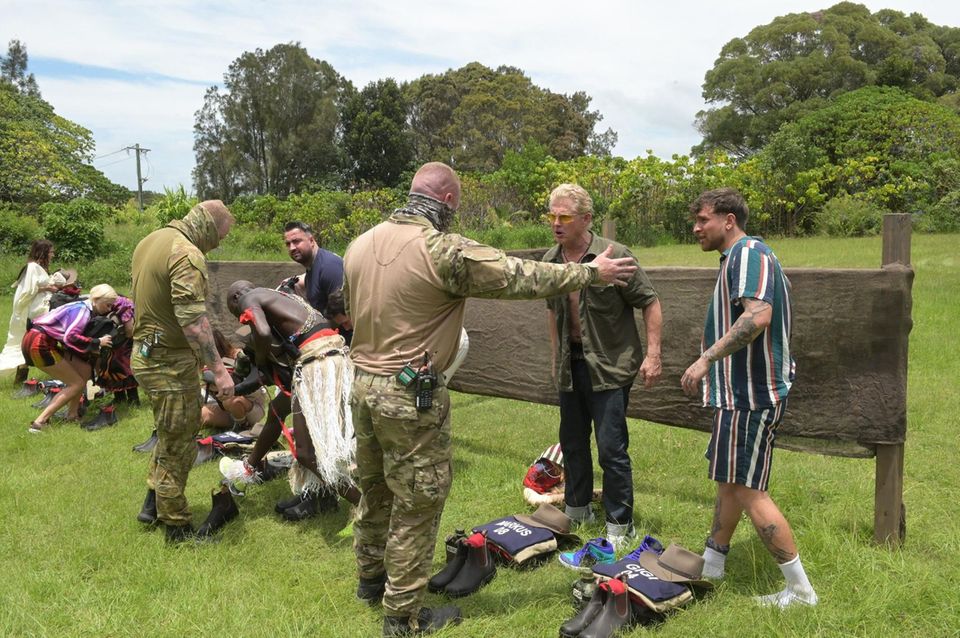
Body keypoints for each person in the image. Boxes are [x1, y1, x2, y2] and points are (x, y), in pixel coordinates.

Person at [342, 161, 639, 636]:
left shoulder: (360, 243)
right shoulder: (440, 248)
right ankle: (402, 616)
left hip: (362, 386)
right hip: (407, 396)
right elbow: (518, 275)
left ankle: (370, 578)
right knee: (418, 502)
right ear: (449, 203)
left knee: (375, 490)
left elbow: (349, 305)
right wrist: (589, 274)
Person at [680, 187, 817, 608]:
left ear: (728, 220)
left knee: (748, 488)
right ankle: (713, 563)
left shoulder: (748, 254)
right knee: (730, 483)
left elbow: (757, 315)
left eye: (703, 220)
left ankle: (800, 590)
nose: (697, 228)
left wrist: (706, 358)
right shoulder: (736, 258)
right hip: (738, 392)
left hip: (750, 393)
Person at [542, 183, 664, 549]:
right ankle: (577, 510)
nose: (556, 224)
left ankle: (619, 524)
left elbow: (650, 301)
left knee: (611, 446)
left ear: (586, 219)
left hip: (610, 365)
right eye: (552, 216)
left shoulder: (615, 255)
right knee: (572, 441)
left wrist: (653, 354)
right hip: (571, 364)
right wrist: (555, 358)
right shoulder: (551, 260)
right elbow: (552, 312)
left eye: (564, 216)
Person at [131, 200, 236, 544]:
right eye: (219, 237)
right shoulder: (187, 253)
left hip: (145, 354)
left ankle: (151, 505)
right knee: (179, 446)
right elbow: (193, 322)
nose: (217, 245)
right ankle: (177, 528)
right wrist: (219, 371)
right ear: (208, 226)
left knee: (168, 432)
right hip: (169, 364)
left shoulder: (151, 240)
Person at [21, 283, 118, 432]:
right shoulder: (83, 311)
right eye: (107, 305)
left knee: (84, 369)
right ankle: (40, 422)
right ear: (96, 299)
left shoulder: (81, 305)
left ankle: (72, 415)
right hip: (39, 343)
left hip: (35, 338)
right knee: (76, 384)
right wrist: (98, 342)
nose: (109, 309)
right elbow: (71, 337)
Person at [1, 240, 61, 378]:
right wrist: (48, 288)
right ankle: (22, 376)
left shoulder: (39, 268)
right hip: (34, 311)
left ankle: (22, 376)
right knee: (25, 341)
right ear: (44, 252)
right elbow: (27, 290)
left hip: (41, 308)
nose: (53, 254)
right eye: (51, 252)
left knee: (28, 340)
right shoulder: (32, 267)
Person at [199, 329, 268, 433]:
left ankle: (243, 426)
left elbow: (255, 387)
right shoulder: (206, 364)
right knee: (196, 416)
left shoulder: (239, 358)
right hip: (224, 409)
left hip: (250, 408)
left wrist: (228, 382)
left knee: (231, 400)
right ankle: (233, 424)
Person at [282, 220, 345, 319]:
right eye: (288, 244)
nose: (292, 248)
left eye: (296, 241)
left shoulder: (329, 267)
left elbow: (344, 313)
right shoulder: (311, 269)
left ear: (311, 241)